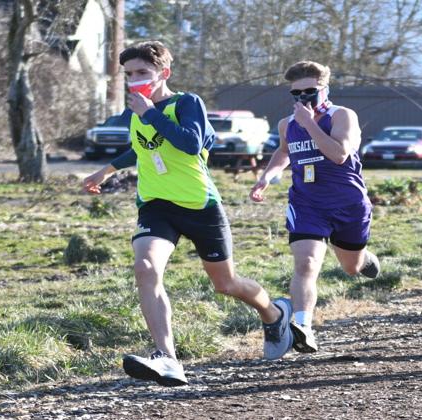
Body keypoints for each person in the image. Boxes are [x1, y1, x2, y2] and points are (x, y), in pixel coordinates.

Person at [81, 41, 291, 386]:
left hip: (199, 205)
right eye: (129, 74)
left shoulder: (186, 103)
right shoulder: (138, 110)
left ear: (163, 73)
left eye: (142, 73)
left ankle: (274, 312)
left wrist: (150, 112)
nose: (134, 80)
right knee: (145, 267)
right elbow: (142, 147)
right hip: (155, 205)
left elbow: (190, 144)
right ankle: (167, 358)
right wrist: (105, 170)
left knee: (226, 284)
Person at [248, 60, 381, 354]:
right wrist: (266, 178)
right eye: (296, 94)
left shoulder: (342, 116)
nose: (302, 98)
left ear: (325, 88)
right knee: (306, 263)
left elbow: (339, 154)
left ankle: (363, 259)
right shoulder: (287, 124)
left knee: (350, 267)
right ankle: (303, 325)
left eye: (309, 91)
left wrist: (309, 124)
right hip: (307, 204)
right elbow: (284, 152)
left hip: (348, 204)